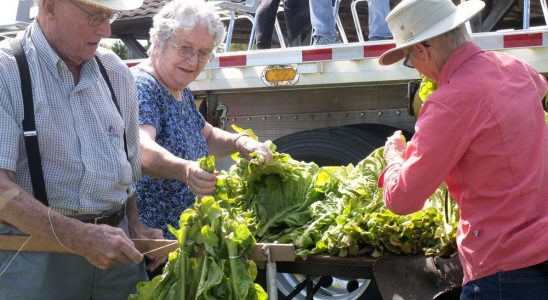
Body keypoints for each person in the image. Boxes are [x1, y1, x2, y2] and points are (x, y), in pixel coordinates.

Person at [377, 0, 548, 298]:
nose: (414, 67)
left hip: (503, 267)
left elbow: (403, 199)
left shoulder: (448, 103)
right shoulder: (514, 66)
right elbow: (539, 88)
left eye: (408, 59)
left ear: (423, 49)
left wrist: (394, 161)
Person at [0, 0, 163, 299]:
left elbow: (126, 171)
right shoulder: (6, 69)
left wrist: (137, 228)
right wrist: (78, 236)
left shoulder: (115, 71)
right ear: (49, 6)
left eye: (109, 16)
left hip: (117, 260)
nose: (106, 29)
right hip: (37, 258)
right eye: (95, 16)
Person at [132, 0, 272, 241]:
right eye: (185, 48)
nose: (194, 61)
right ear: (159, 42)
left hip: (179, 239)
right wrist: (186, 170)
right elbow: (141, 149)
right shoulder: (143, 86)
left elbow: (205, 135)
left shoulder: (179, 88)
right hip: (154, 241)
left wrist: (241, 142)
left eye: (203, 52)